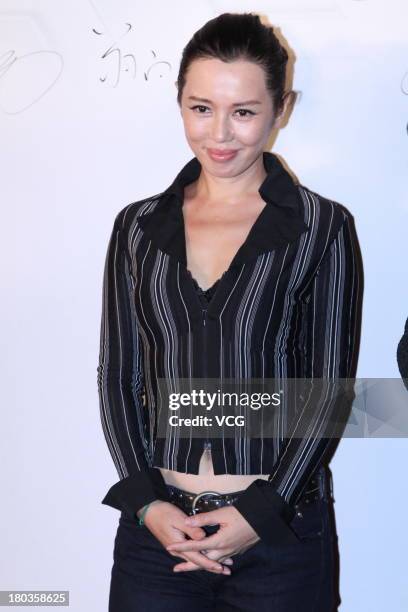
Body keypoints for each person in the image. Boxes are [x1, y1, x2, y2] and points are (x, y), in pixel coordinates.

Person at [97, 12, 362, 611]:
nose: (220, 133)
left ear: (281, 108)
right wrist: (148, 504)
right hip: (157, 542)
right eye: (200, 108)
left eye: (243, 111)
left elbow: (329, 391)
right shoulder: (138, 227)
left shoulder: (322, 227)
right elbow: (119, 375)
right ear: (180, 103)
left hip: (281, 540)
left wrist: (259, 513)